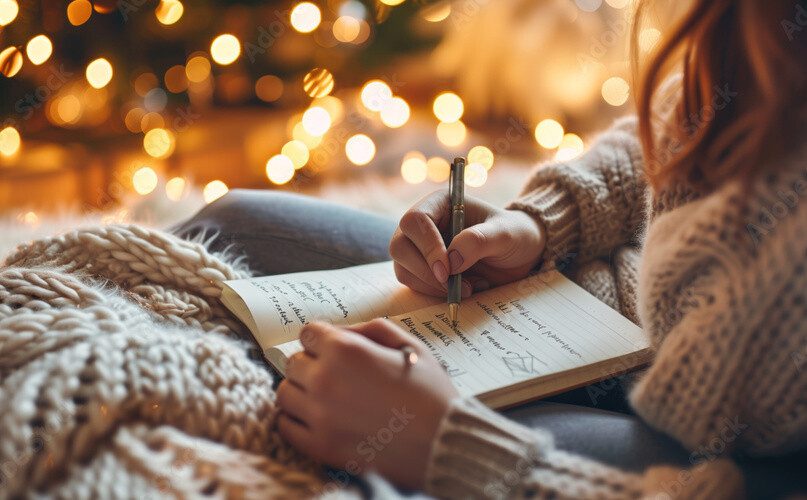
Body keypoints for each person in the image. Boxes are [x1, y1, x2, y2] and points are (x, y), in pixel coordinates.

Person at [174, 0, 807, 497]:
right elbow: (677, 126)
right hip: (593, 312)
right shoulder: (761, 29)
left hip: (715, 463)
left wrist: (445, 446)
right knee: (237, 223)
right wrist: (538, 226)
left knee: (341, 430)